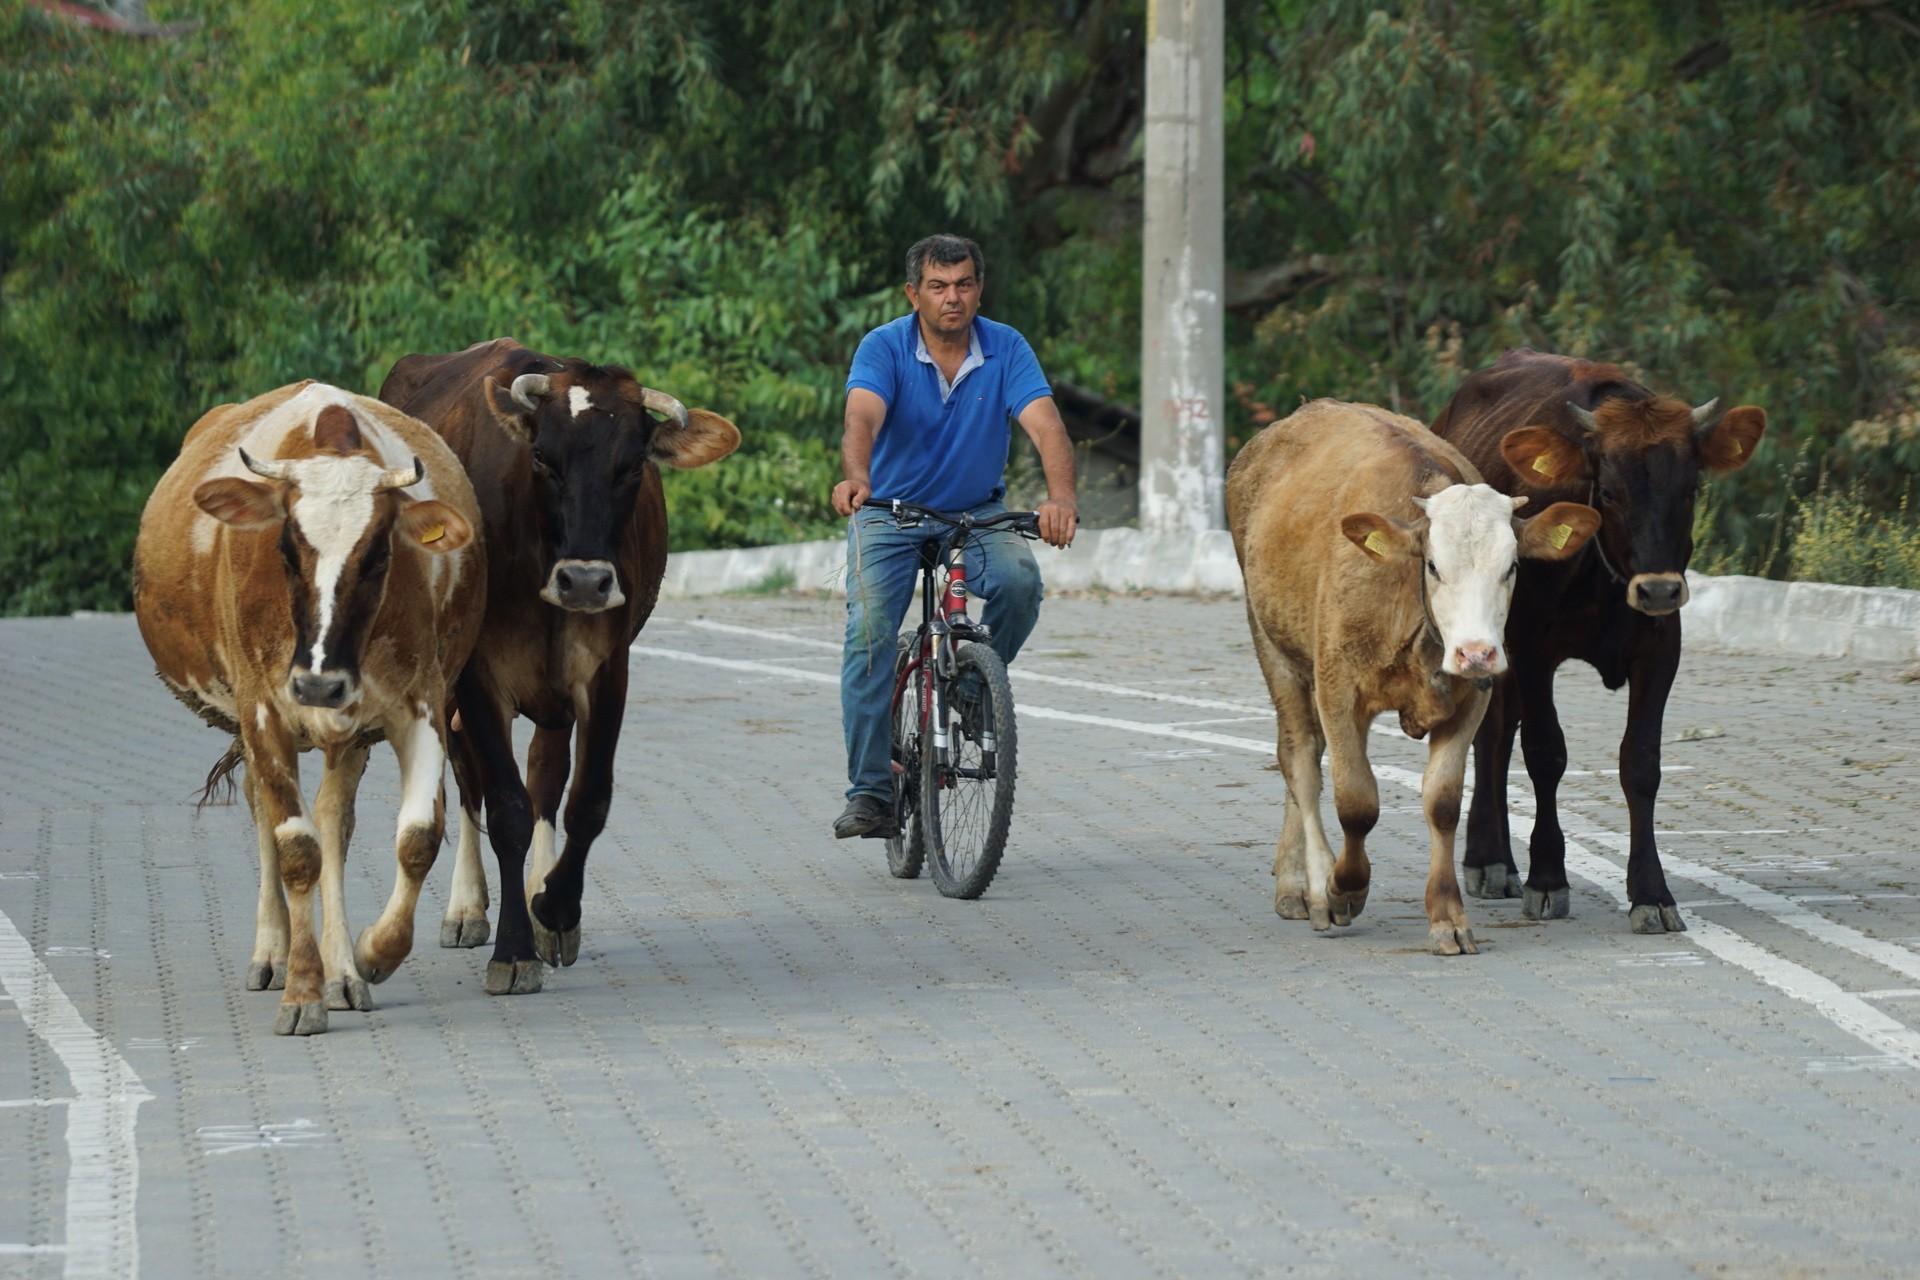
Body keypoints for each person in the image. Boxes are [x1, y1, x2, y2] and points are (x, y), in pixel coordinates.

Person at [831, 233, 1079, 839]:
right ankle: (871, 792)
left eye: (964, 284)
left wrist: (1062, 498)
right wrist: (856, 478)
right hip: (888, 511)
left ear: (979, 288)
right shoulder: (884, 346)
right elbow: (862, 416)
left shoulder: (1006, 347)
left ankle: (969, 686)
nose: (952, 298)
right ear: (914, 293)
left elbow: (1047, 428)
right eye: (938, 287)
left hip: (975, 512)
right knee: (868, 638)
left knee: (1021, 582)